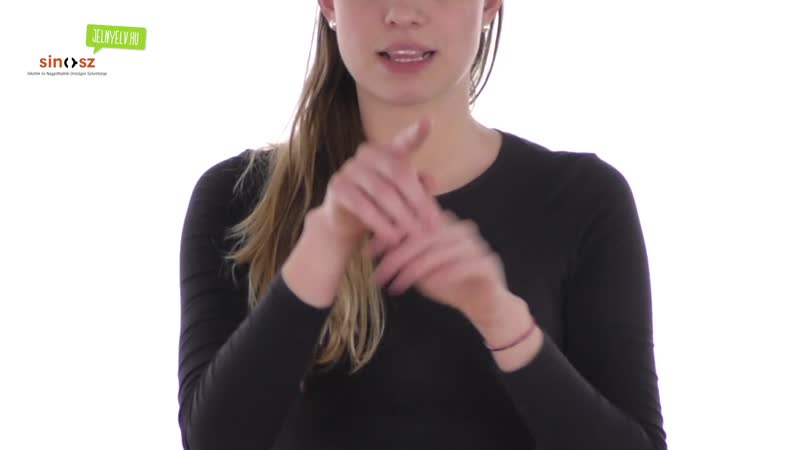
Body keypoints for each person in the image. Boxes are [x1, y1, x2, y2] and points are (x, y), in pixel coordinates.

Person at [177, 1, 667, 449]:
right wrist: (318, 255)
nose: (403, 13)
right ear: (327, 4)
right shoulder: (239, 198)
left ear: (490, 4)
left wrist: (503, 321)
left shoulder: (582, 200)